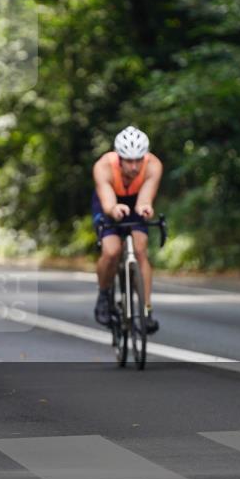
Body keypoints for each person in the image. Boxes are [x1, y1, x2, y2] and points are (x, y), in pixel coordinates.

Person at [92, 126, 163, 334]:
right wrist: (114, 209)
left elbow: (145, 197)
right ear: (119, 157)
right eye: (128, 160)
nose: (133, 166)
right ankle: (104, 296)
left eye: (138, 160)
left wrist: (144, 208)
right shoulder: (103, 166)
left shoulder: (153, 166)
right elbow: (107, 203)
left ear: (145, 157)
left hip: (135, 200)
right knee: (111, 251)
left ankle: (147, 310)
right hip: (108, 201)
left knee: (140, 250)